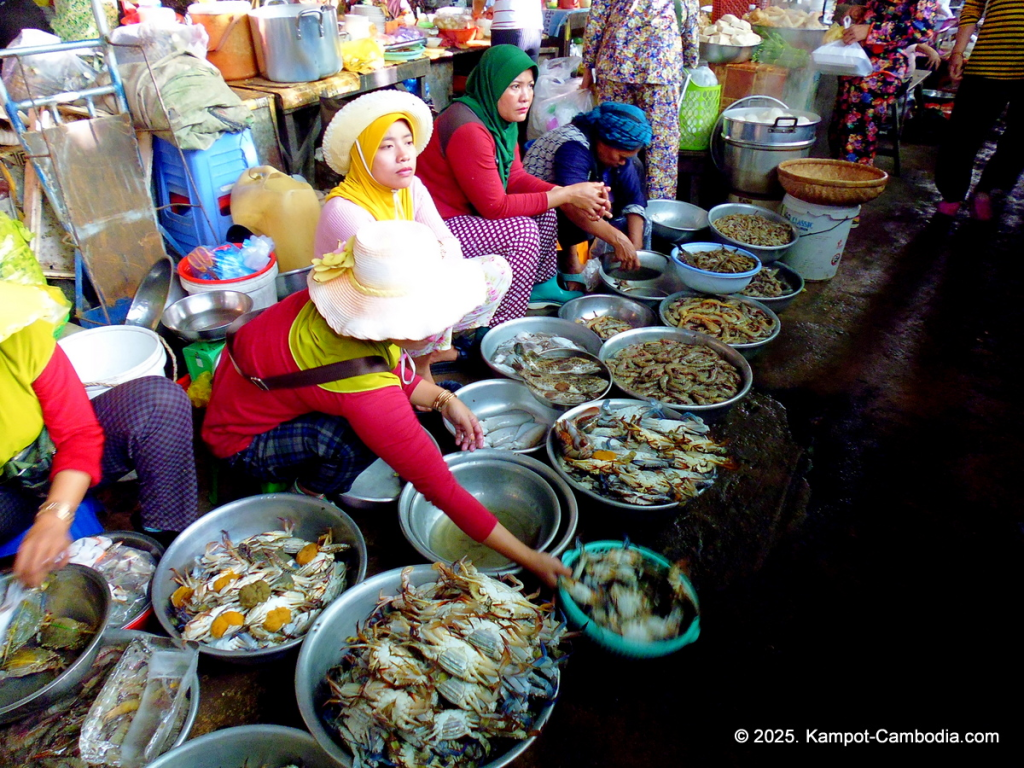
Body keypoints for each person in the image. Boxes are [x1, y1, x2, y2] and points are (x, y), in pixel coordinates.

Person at [201, 220, 571, 587]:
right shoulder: (367, 397)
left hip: (246, 392)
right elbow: (440, 487)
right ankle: (305, 495)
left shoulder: (337, 314)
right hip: (240, 441)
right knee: (353, 442)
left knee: (383, 415)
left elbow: (384, 361)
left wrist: (444, 400)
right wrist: (530, 558)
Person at [1, 281, 198, 587]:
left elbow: (77, 431)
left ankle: (164, 545)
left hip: (48, 454)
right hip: (5, 496)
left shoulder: (16, 331)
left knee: (159, 401)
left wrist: (56, 514)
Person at [315, 90, 512, 382]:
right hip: (360, 307)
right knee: (429, 290)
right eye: (386, 146)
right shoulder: (345, 210)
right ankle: (418, 370)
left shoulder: (411, 189)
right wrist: (435, 263)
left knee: (495, 270)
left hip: (405, 289)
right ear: (362, 155)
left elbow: (448, 243)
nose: (404, 154)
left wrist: (441, 262)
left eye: (408, 142)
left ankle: (427, 354)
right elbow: (389, 280)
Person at [416, 44, 611, 317]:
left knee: (545, 211)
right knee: (522, 232)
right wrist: (567, 195)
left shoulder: (500, 120)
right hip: (438, 226)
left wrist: (569, 193)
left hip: (466, 213)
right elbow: (494, 207)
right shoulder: (468, 128)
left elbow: (515, 177)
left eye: (530, 86)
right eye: (514, 87)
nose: (526, 97)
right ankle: (500, 323)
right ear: (493, 85)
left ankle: (539, 287)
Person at [579, 0, 699, 201]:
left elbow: (597, 18)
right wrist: (689, 57)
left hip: (615, 64)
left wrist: (588, 64)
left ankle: (605, 203)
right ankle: (659, 210)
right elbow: (690, 22)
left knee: (612, 137)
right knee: (661, 146)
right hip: (661, 66)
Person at [523, 101, 652, 271]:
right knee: (580, 201)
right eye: (621, 156)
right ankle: (569, 264)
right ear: (604, 141)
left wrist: (635, 248)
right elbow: (571, 205)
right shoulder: (573, 148)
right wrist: (618, 240)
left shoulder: (615, 152)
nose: (623, 161)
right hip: (535, 214)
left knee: (635, 166)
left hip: (568, 205)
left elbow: (633, 198)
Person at [934, 0, 1024, 221]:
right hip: (988, 62)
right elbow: (973, 6)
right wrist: (958, 51)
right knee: (963, 134)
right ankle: (952, 194)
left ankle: (987, 189)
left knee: (1019, 141)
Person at [828, 0, 942, 165]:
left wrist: (871, 30)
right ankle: (831, 181)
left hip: (879, 75)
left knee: (856, 142)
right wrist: (866, 12)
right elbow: (890, 12)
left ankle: (851, 185)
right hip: (857, 67)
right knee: (840, 132)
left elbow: (921, 29)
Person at [473, 0, 545, 62]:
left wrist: (477, 13)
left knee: (504, 74)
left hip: (508, 27)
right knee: (529, 75)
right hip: (534, 25)